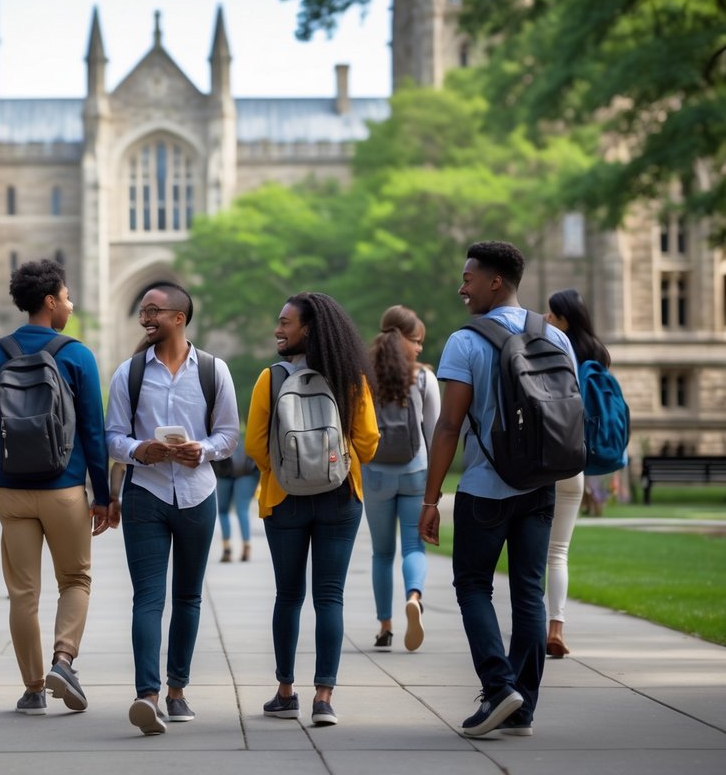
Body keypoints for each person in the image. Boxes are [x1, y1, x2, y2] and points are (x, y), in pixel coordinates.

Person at [420, 241, 577, 738]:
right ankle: (523, 708)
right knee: (529, 591)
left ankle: (497, 687)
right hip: (540, 482)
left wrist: (431, 499)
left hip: (487, 487)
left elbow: (448, 426)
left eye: (469, 278)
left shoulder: (465, 341)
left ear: (495, 282)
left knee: (472, 586)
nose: (461, 288)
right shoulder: (556, 337)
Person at [0, 259, 117, 716]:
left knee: (23, 594)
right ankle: (63, 661)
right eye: (67, 296)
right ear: (50, 301)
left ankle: (32, 690)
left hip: (10, 493)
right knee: (76, 579)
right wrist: (102, 496)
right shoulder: (77, 355)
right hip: (65, 490)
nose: (70, 304)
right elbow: (92, 432)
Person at [105, 282, 239, 735]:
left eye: (154, 311)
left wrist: (200, 450)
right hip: (146, 495)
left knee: (188, 596)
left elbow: (228, 435)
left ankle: (177, 690)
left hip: (198, 494)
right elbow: (113, 437)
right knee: (148, 597)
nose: (145, 318)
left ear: (178, 318)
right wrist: (141, 450)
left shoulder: (214, 371)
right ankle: (148, 695)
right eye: (143, 311)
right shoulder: (128, 373)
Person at [246, 292, 379, 727]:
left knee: (288, 596)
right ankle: (324, 697)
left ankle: (286, 692)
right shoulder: (350, 377)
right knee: (330, 597)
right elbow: (369, 442)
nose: (277, 329)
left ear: (308, 329)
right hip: (340, 498)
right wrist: (333, 467)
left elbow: (254, 445)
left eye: (285, 322)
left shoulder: (272, 377)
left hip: (284, 500)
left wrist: (288, 472)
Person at [363, 305, 440, 652]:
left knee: (381, 553)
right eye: (417, 341)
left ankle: (384, 626)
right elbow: (434, 431)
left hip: (376, 474)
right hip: (415, 470)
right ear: (405, 339)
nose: (420, 348)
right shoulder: (423, 377)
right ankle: (414, 596)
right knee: (413, 545)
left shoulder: (363, 376)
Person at [543, 288, 611, 660]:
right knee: (559, 552)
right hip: (578, 461)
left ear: (564, 319)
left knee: (534, 552)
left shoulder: (548, 348)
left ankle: (530, 629)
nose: (547, 319)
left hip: (546, 459)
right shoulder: (598, 353)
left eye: (552, 315)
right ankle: (557, 627)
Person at [214, 439, 258, 563]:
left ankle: (226, 548)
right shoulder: (248, 419)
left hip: (223, 466)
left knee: (223, 511)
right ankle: (246, 546)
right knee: (242, 510)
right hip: (247, 468)